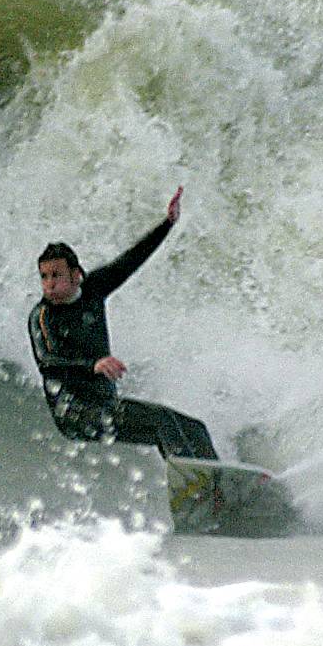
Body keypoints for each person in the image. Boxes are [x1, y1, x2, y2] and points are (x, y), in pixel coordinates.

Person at [27, 186, 219, 461]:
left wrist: (167, 224)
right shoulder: (42, 316)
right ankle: (194, 486)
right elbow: (49, 363)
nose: (49, 284)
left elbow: (130, 260)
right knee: (161, 422)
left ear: (76, 275)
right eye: (44, 277)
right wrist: (92, 366)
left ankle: (217, 486)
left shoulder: (92, 290)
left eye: (56, 275)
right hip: (74, 412)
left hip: (104, 404)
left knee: (193, 428)